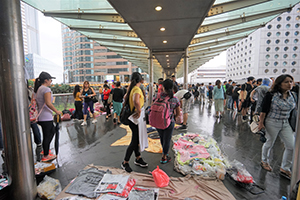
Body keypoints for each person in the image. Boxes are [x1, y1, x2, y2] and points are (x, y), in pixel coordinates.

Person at [258, 74, 297, 179]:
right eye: (286, 82)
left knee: (291, 146)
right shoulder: (271, 95)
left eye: (291, 81)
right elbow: (264, 110)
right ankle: (264, 161)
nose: (289, 84)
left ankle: (285, 168)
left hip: (285, 123)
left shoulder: (292, 94)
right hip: (272, 122)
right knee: (269, 143)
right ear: (279, 84)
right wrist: (261, 123)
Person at [121, 72, 148, 173]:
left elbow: (125, 98)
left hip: (132, 118)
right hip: (136, 117)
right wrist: (139, 110)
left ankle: (138, 158)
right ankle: (125, 162)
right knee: (135, 140)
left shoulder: (131, 89)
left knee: (136, 139)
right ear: (141, 80)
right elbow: (137, 101)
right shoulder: (137, 89)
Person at [34, 72, 62, 162]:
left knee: (48, 134)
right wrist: (56, 111)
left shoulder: (39, 89)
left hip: (41, 117)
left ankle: (46, 150)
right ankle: (46, 155)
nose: (51, 81)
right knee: (49, 135)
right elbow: (48, 103)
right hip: (46, 117)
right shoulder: (46, 89)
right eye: (50, 80)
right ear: (46, 80)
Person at [155, 79, 180, 163]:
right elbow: (178, 113)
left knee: (162, 138)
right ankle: (164, 157)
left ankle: (164, 151)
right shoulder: (175, 99)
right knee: (167, 139)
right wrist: (174, 117)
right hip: (169, 121)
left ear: (163, 87)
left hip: (158, 120)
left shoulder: (157, 96)